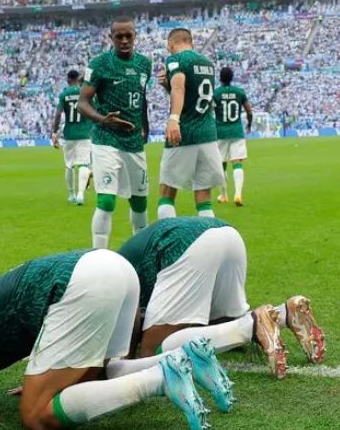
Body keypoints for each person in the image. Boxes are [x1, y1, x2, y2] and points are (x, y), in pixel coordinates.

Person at [0, 250, 233, 430]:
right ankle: (185, 357)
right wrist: (47, 378)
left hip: (80, 282)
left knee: (35, 415)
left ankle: (161, 379)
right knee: (94, 377)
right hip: (110, 268)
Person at [118, 217, 326, 379]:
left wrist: (123, 359)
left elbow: (129, 319)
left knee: (154, 352)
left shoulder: (107, 283)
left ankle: (252, 326)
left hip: (185, 245)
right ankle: (284, 313)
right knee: (222, 324)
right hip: (226, 234)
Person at [78, 16, 151, 248]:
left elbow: (143, 99)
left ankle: (140, 253)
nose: (124, 40)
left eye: (128, 35)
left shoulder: (144, 64)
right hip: (106, 139)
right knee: (107, 200)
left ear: (135, 36)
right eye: (119, 36)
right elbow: (82, 102)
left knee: (140, 203)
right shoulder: (99, 64)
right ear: (111, 38)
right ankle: (99, 256)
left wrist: (145, 128)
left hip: (134, 142)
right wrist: (104, 120)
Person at [157, 28, 224, 220]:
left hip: (184, 132)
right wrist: (165, 85)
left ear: (170, 45)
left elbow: (179, 87)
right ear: (191, 42)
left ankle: (168, 241)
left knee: (167, 192)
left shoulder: (176, 59)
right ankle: (210, 244)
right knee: (204, 196)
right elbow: (190, 92)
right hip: (208, 134)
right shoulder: (208, 63)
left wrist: (173, 119)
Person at [51, 70, 93, 205]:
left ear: (69, 79)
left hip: (69, 134)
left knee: (69, 165)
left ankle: (71, 194)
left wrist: (54, 132)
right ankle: (81, 194)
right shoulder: (85, 93)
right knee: (84, 164)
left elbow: (58, 114)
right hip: (85, 133)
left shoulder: (64, 94)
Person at [213, 67, 252, 206]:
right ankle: (238, 193)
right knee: (237, 162)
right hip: (236, 131)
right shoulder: (239, 92)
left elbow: (209, 110)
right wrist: (249, 124)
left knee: (221, 164)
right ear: (232, 77)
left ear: (220, 78)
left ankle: (223, 195)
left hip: (220, 132)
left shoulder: (216, 93)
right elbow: (249, 110)